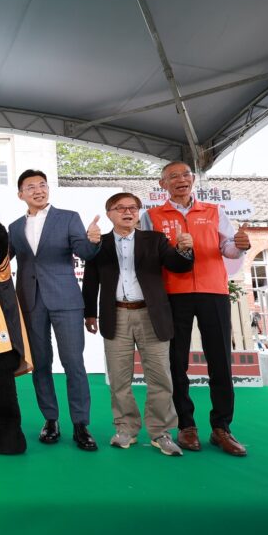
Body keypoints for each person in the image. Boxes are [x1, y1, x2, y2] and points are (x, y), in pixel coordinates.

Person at [140, 161, 251, 456]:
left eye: (186, 174)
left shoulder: (214, 211)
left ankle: (221, 427)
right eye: (173, 176)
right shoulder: (151, 216)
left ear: (192, 179)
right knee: (176, 362)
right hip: (172, 294)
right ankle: (186, 425)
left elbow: (228, 248)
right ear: (163, 184)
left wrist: (240, 244)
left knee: (220, 360)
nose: (181, 179)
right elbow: (148, 255)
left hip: (213, 291)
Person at [82, 192, 194, 456]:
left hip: (151, 314)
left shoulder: (155, 239)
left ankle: (160, 432)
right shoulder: (99, 244)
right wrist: (90, 314)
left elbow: (178, 266)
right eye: (120, 208)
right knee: (119, 378)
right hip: (116, 314)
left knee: (160, 377)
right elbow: (90, 280)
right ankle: (126, 429)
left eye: (133, 207)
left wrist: (184, 249)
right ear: (109, 214)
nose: (127, 212)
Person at [8, 169, 102, 451]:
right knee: (40, 363)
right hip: (30, 301)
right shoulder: (14, 227)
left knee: (74, 363)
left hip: (66, 300)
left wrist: (93, 240)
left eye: (42, 185)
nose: (38, 190)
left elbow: (84, 252)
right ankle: (50, 420)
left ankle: (81, 424)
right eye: (31, 187)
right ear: (20, 194)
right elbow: (1, 261)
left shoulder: (68, 217)